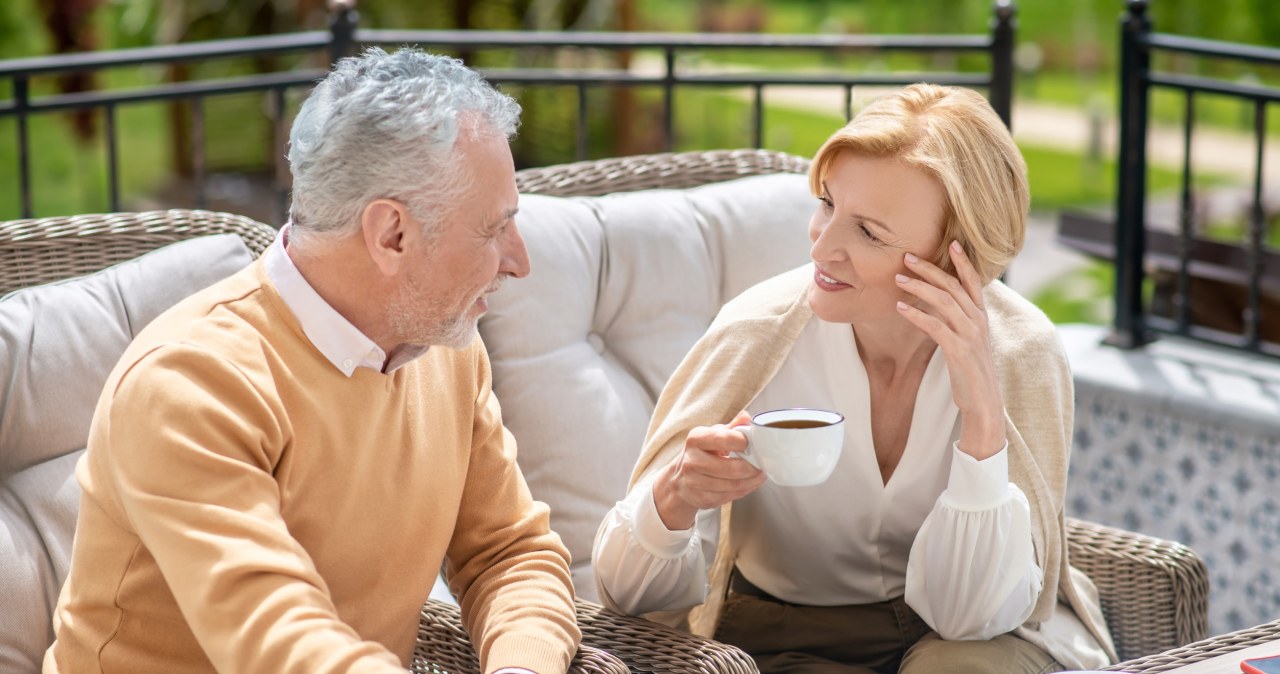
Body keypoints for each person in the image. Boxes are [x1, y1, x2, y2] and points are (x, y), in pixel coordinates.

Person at [45, 48, 579, 674]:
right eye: (494, 229)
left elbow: (509, 553)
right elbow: (278, 643)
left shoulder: (445, 349)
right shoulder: (189, 382)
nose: (519, 260)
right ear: (392, 236)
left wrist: (521, 665)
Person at [592, 83, 1116, 674]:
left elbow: (972, 619)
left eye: (868, 232)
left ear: (953, 257)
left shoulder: (1022, 352)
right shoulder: (757, 333)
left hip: (973, 641)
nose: (823, 245)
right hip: (787, 634)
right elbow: (624, 597)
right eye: (826, 204)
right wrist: (675, 498)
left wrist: (982, 419)